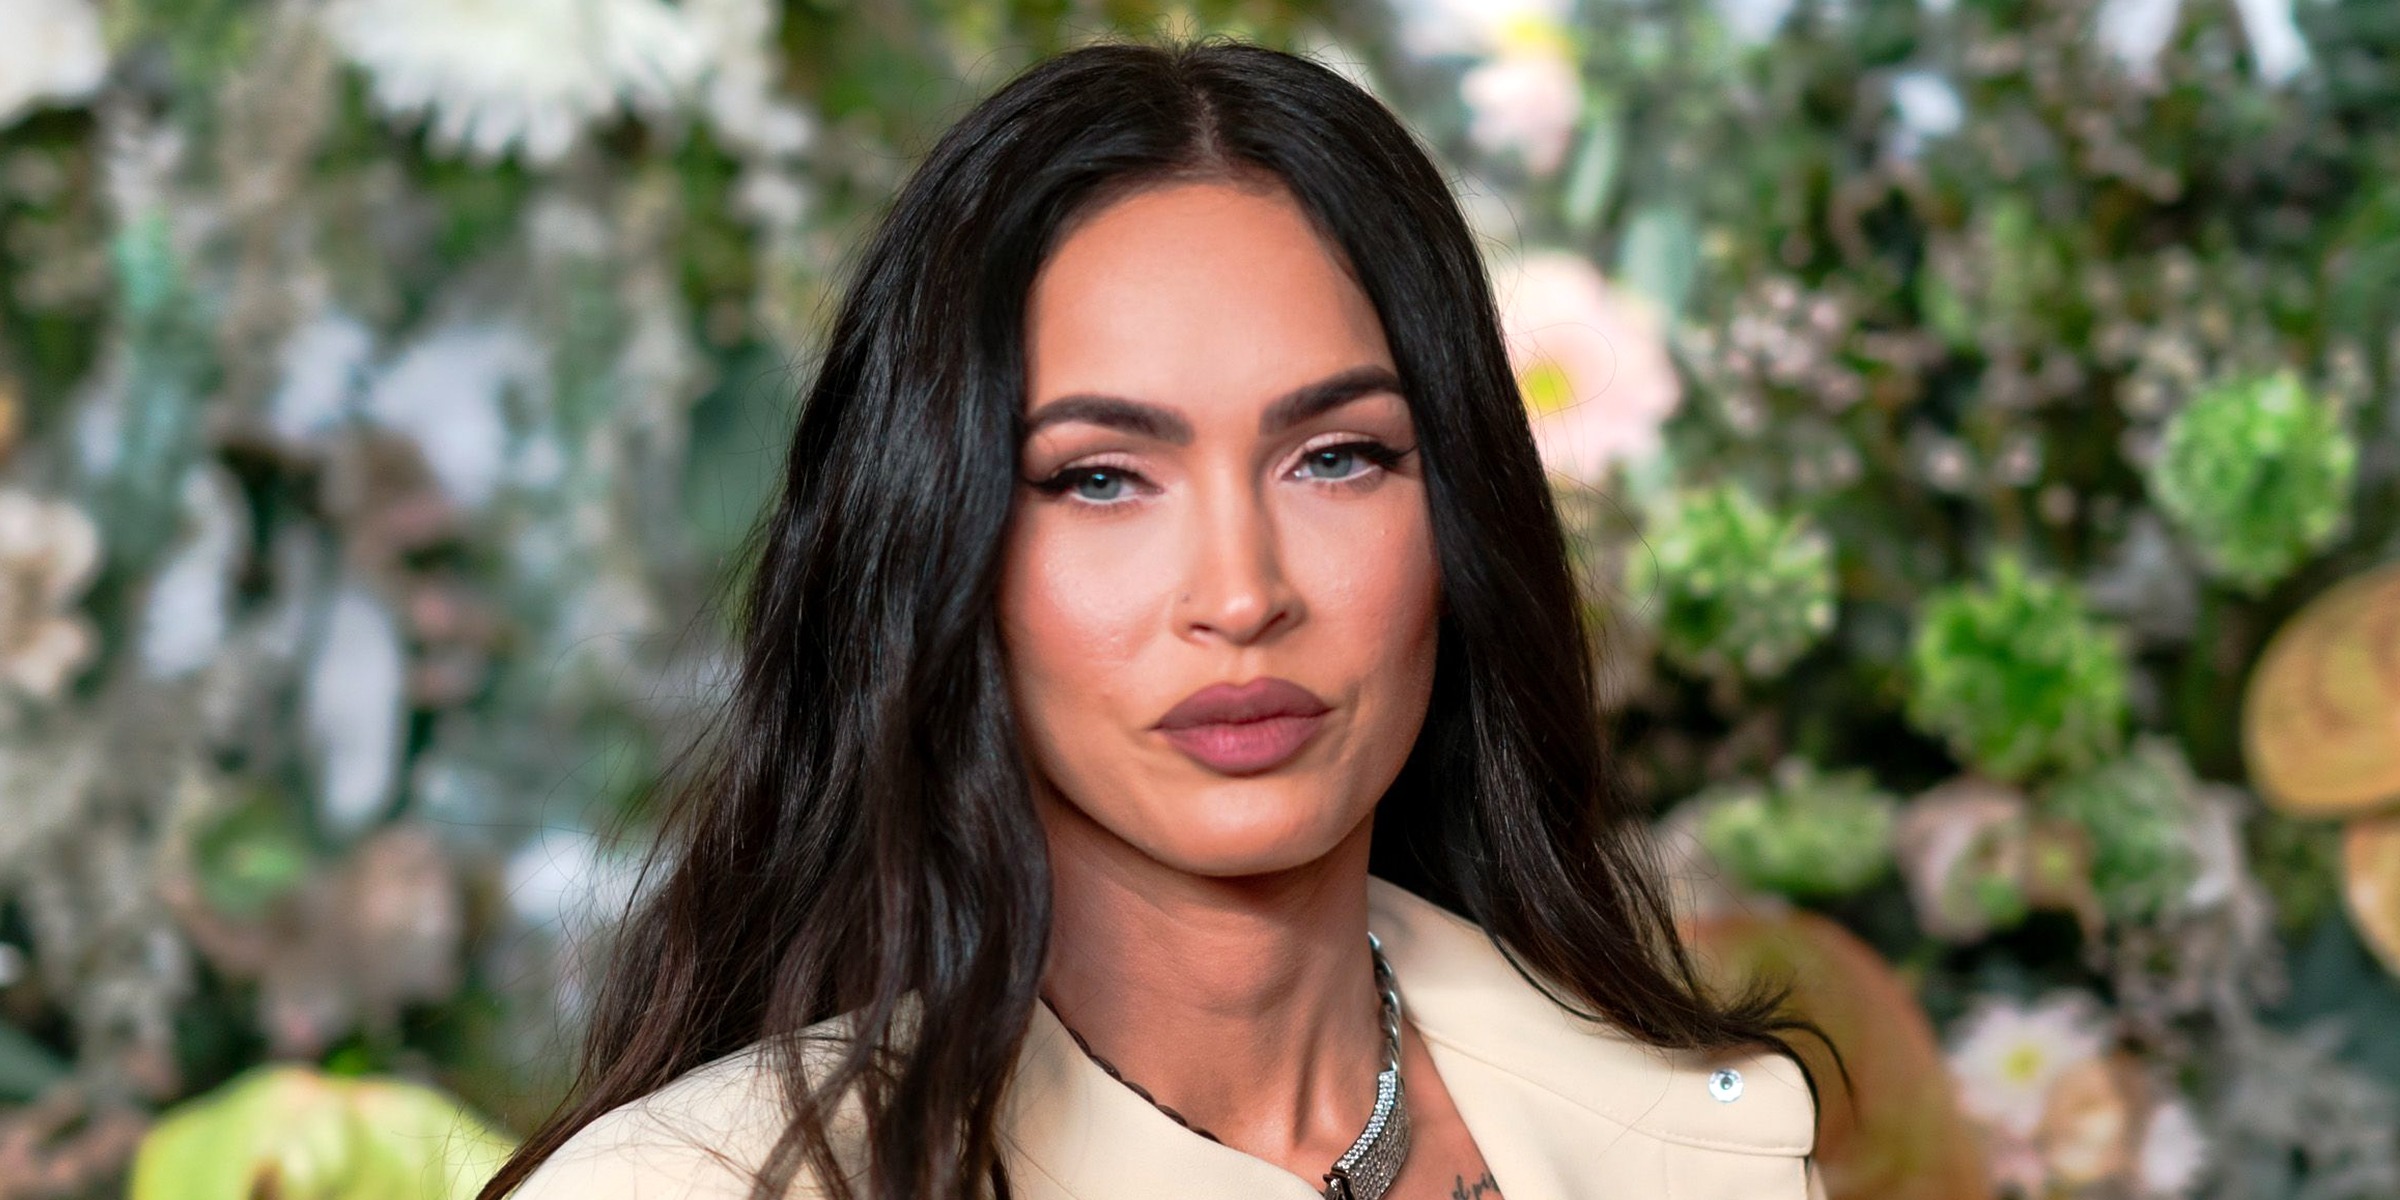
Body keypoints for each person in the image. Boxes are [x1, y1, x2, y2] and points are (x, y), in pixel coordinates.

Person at [481, 35, 1832, 1200]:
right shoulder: (698, 1183)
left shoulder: (1704, 1138)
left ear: (1462, 515)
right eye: (1101, 478)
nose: (1241, 596)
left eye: (1336, 458)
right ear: (940, 545)